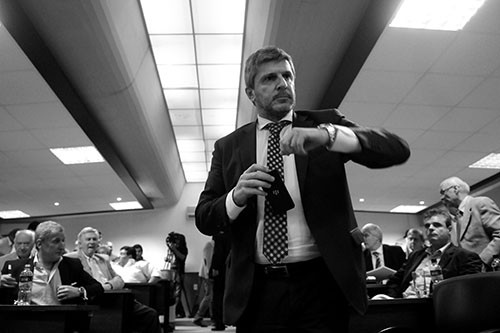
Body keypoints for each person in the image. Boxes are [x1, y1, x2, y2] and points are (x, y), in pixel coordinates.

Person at [195, 46, 410, 332]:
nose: (282, 84)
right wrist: (236, 196)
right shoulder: (228, 147)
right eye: (269, 78)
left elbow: (396, 150)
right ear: (251, 94)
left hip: (322, 284)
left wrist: (328, 135)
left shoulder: (323, 126)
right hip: (257, 291)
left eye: (287, 76)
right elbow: (204, 217)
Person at [65, 227, 161, 333]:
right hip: (94, 298)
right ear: (79, 243)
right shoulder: (70, 259)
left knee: (150, 314)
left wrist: (108, 286)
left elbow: (119, 280)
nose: (92, 242)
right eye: (88, 239)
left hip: (114, 295)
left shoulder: (103, 259)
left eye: (94, 239)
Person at [375, 208, 482, 299]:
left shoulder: (465, 257)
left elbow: (467, 293)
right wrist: (392, 299)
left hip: (436, 308)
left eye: (436, 225)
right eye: (427, 226)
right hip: (404, 305)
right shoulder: (415, 256)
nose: (430, 228)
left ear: (449, 229)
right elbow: (395, 281)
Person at [0, 221, 103, 305]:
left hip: (63, 323)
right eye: (56, 241)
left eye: (63, 241)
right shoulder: (16, 267)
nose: (62, 246)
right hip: (27, 323)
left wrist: (79, 291)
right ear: (39, 244)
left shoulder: (72, 265)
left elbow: (98, 288)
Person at [440, 176, 500, 269]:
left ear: (455, 189)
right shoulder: (455, 217)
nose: (441, 198)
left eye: (443, 192)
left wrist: (481, 262)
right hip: (467, 274)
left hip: (488, 271)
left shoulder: (481, 203)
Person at [210, 230, 230, 331]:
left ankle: (218, 322)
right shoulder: (231, 232)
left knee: (217, 295)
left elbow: (218, 251)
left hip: (220, 268)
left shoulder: (218, 234)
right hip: (230, 267)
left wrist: (215, 267)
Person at [193, 239, 215, 327]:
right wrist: (209, 274)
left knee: (211, 296)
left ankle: (212, 318)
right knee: (209, 296)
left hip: (208, 273)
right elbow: (208, 261)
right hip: (208, 274)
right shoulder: (209, 245)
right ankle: (198, 316)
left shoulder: (211, 244)